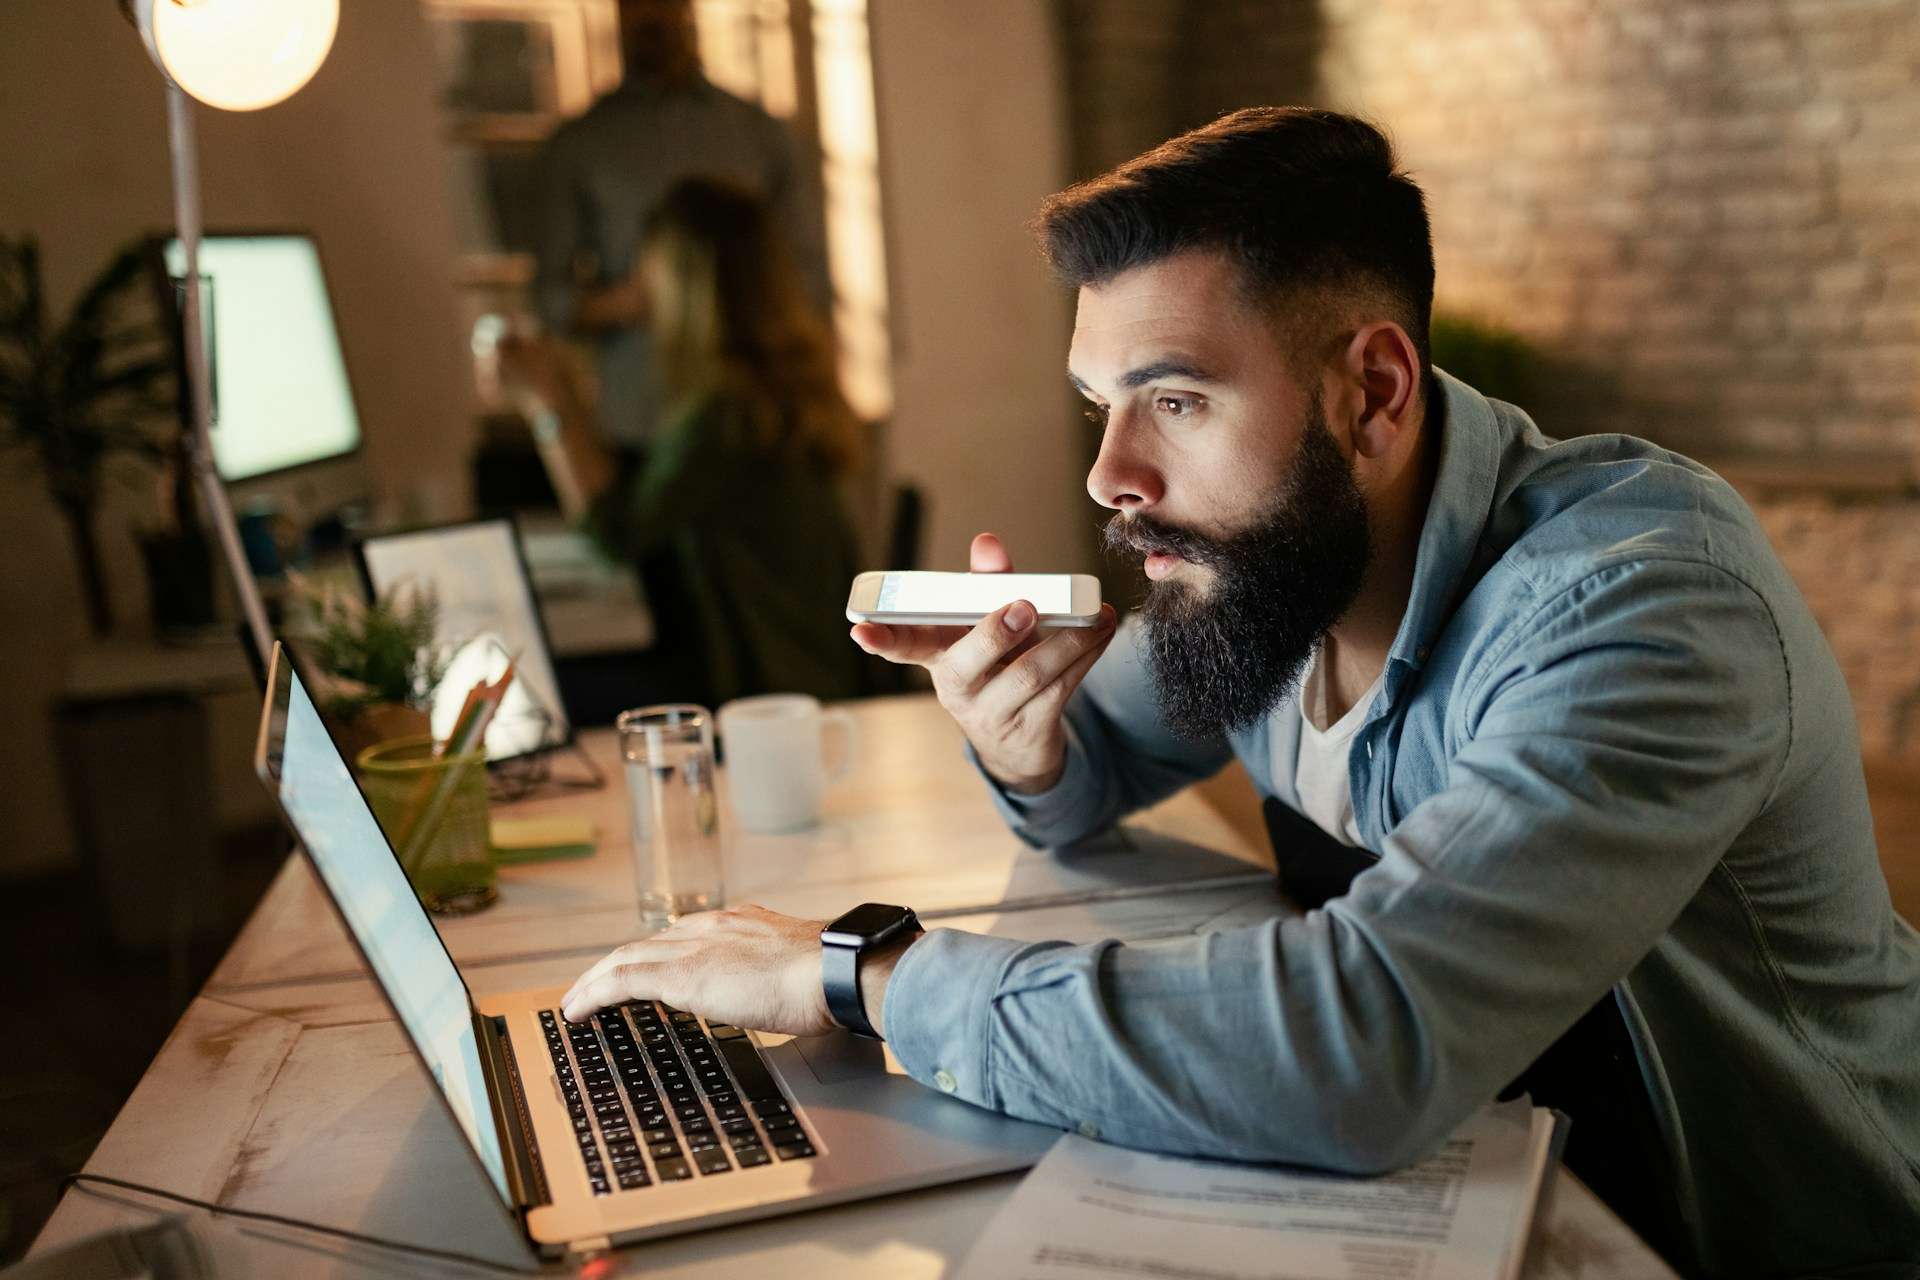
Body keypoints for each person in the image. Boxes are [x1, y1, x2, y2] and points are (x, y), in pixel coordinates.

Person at [556, 109, 1920, 1276]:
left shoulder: (1639, 608)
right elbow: (1092, 761)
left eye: (1178, 401)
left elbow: (1363, 1046)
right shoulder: (1276, 570)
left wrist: (861, 972)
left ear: (1372, 394)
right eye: (1101, 402)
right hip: (1486, 1195)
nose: (1108, 476)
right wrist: (1022, 748)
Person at [507, 178, 865, 705]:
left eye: (647, 267)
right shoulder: (779, 390)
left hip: (773, 692)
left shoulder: (724, 416)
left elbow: (613, 534)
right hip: (820, 670)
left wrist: (546, 401)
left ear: (684, 281)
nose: (636, 287)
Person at [533, 0, 826, 447]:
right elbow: (550, 299)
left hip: (750, 410)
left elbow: (805, 274)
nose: (650, 15)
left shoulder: (758, 133)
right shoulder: (582, 144)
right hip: (642, 417)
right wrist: (636, 299)